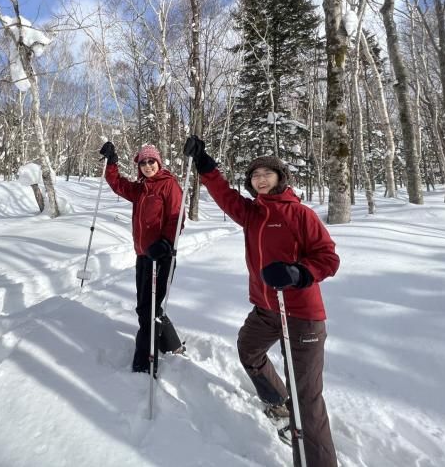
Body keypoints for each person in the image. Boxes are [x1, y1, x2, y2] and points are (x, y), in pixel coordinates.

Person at [183, 135, 339, 467]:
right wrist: (205, 163)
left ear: (280, 178)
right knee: (248, 350)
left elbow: (328, 258)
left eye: (267, 173)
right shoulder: (252, 213)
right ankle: (277, 400)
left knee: (306, 401)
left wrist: (298, 273)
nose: (261, 179)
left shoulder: (300, 214)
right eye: (255, 176)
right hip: (267, 310)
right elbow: (224, 195)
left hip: (301, 315)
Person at [99, 141, 185, 376]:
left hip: (162, 257)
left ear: (158, 162)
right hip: (143, 256)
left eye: (151, 161)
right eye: (143, 162)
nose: (147, 166)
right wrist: (112, 164)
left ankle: (145, 362)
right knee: (147, 307)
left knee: (148, 310)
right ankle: (173, 344)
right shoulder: (141, 188)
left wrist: (166, 243)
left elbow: (177, 218)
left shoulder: (169, 185)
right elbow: (117, 184)